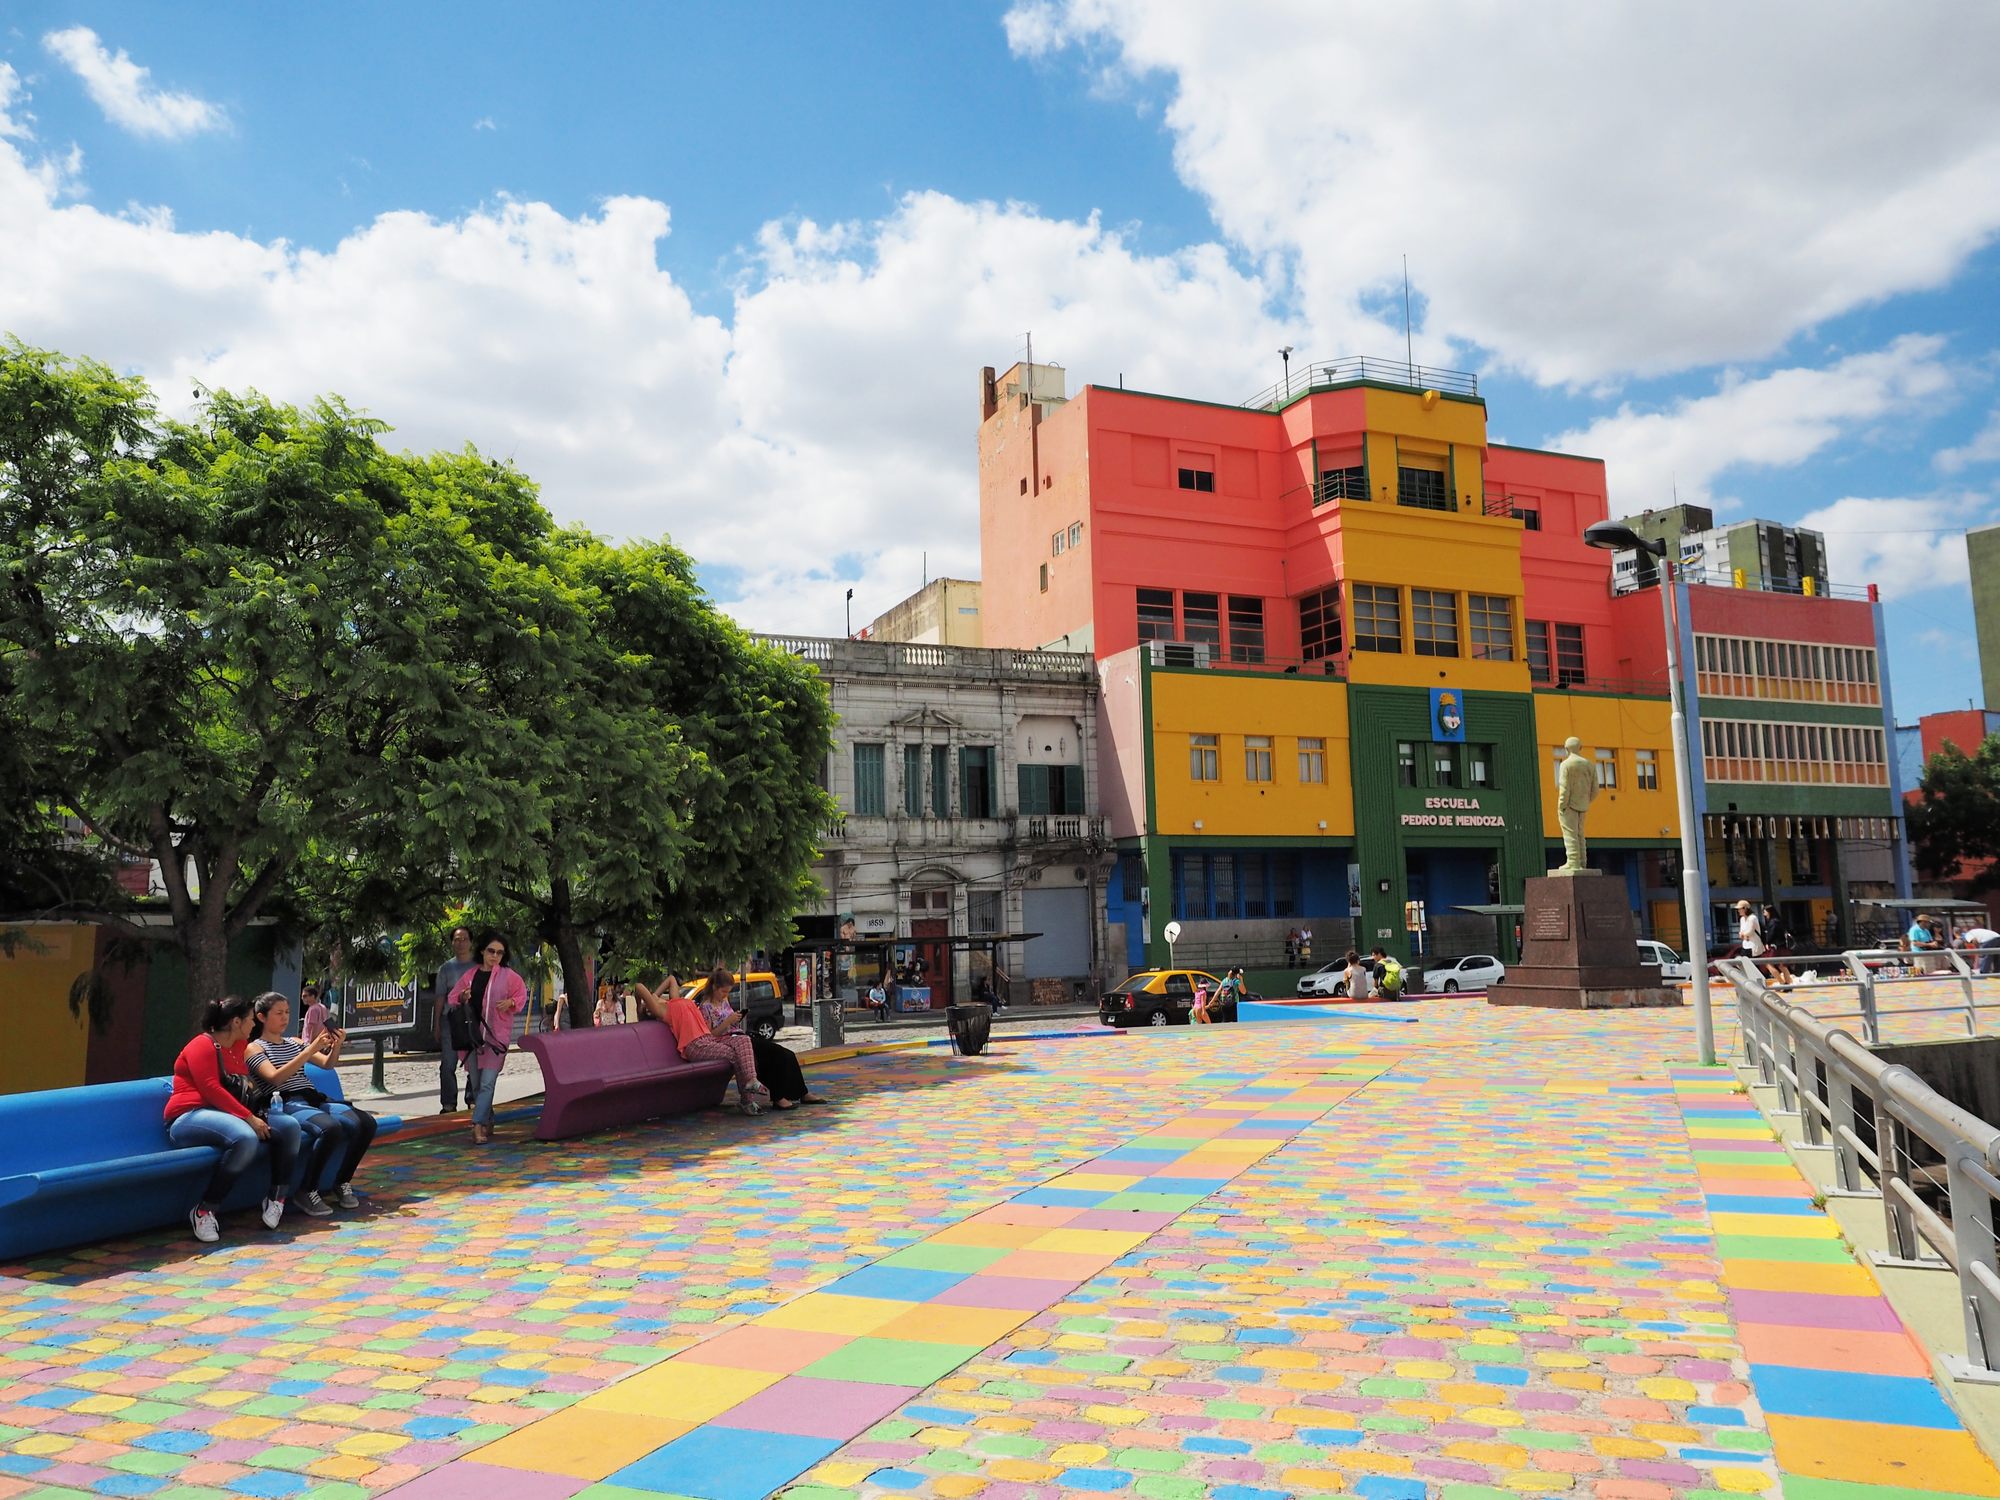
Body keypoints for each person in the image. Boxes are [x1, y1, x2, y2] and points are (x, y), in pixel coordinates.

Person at [164, 995, 299, 1243]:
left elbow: (239, 1089)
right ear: (236, 1022)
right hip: (189, 1116)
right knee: (246, 1138)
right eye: (249, 1020)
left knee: (289, 1127)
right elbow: (210, 1089)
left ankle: (277, 1197)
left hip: (227, 1115)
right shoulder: (201, 1045)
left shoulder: (238, 1047)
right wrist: (249, 1118)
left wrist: (254, 1114)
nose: (253, 1025)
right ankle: (205, 1210)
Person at [245, 994, 375, 1215]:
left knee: (366, 1123)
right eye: (278, 1013)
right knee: (330, 1128)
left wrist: (336, 1046)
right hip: (283, 1101)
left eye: (287, 1012)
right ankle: (307, 1190)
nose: (285, 1018)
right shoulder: (255, 1048)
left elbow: (327, 1064)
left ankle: (342, 1181)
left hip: (313, 1099)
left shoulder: (294, 1042)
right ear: (261, 1017)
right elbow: (274, 1078)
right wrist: (308, 1051)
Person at [634, 968, 770, 1115]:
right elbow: (638, 987)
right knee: (735, 1055)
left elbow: (671, 979)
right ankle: (747, 1101)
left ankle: (751, 1080)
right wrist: (641, 1006)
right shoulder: (662, 1011)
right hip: (696, 1045)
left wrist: (655, 995)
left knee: (743, 1040)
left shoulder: (675, 1001)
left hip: (709, 1040)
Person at [448, 931, 529, 1144]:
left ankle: (477, 1126)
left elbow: (521, 995)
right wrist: (463, 996)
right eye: (491, 951)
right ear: (483, 951)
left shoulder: (509, 976)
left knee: (487, 1083)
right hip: (472, 1039)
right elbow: (453, 997)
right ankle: (488, 1117)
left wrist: (510, 1003)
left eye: (500, 953)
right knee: (476, 1085)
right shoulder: (471, 975)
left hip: (495, 1039)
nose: (495, 956)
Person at [434, 926, 477, 1113]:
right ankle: (448, 1103)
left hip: (473, 1019)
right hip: (450, 1020)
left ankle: (472, 1098)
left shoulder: (479, 966)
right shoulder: (446, 968)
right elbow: (440, 998)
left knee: (474, 1062)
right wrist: (436, 1024)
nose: (461, 943)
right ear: (452, 942)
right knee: (448, 1064)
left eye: (464, 939)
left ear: (471, 942)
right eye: (457, 939)